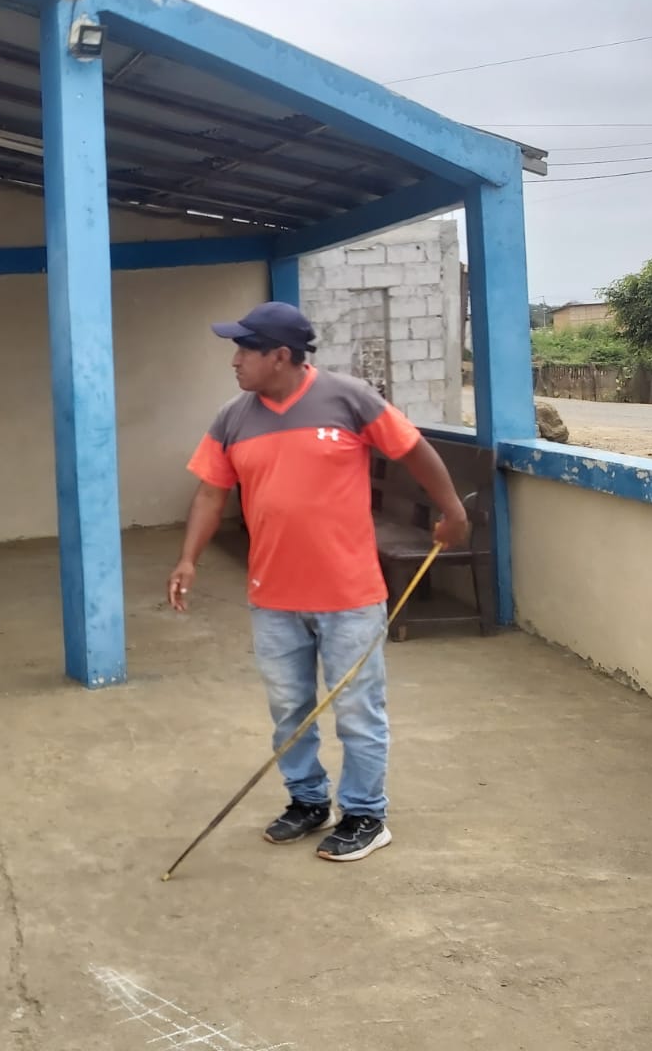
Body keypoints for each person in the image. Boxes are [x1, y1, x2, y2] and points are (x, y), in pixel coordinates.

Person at [166, 302, 469, 862]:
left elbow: (413, 450)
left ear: (280, 356)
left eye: (245, 350)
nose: (235, 361)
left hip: (349, 595)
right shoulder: (232, 417)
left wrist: (452, 510)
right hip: (274, 596)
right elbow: (211, 492)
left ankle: (365, 814)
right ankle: (307, 802)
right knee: (289, 709)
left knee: (357, 711)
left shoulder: (349, 399)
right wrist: (189, 560)